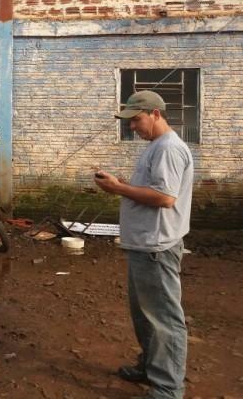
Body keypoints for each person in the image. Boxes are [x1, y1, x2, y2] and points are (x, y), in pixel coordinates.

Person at [94, 90, 193, 399]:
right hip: (145, 245)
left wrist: (118, 189)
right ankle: (151, 367)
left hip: (156, 247)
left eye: (136, 120)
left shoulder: (168, 149)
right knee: (144, 314)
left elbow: (165, 198)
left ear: (155, 114)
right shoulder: (156, 146)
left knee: (164, 320)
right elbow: (154, 188)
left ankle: (167, 388)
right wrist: (122, 183)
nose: (132, 127)